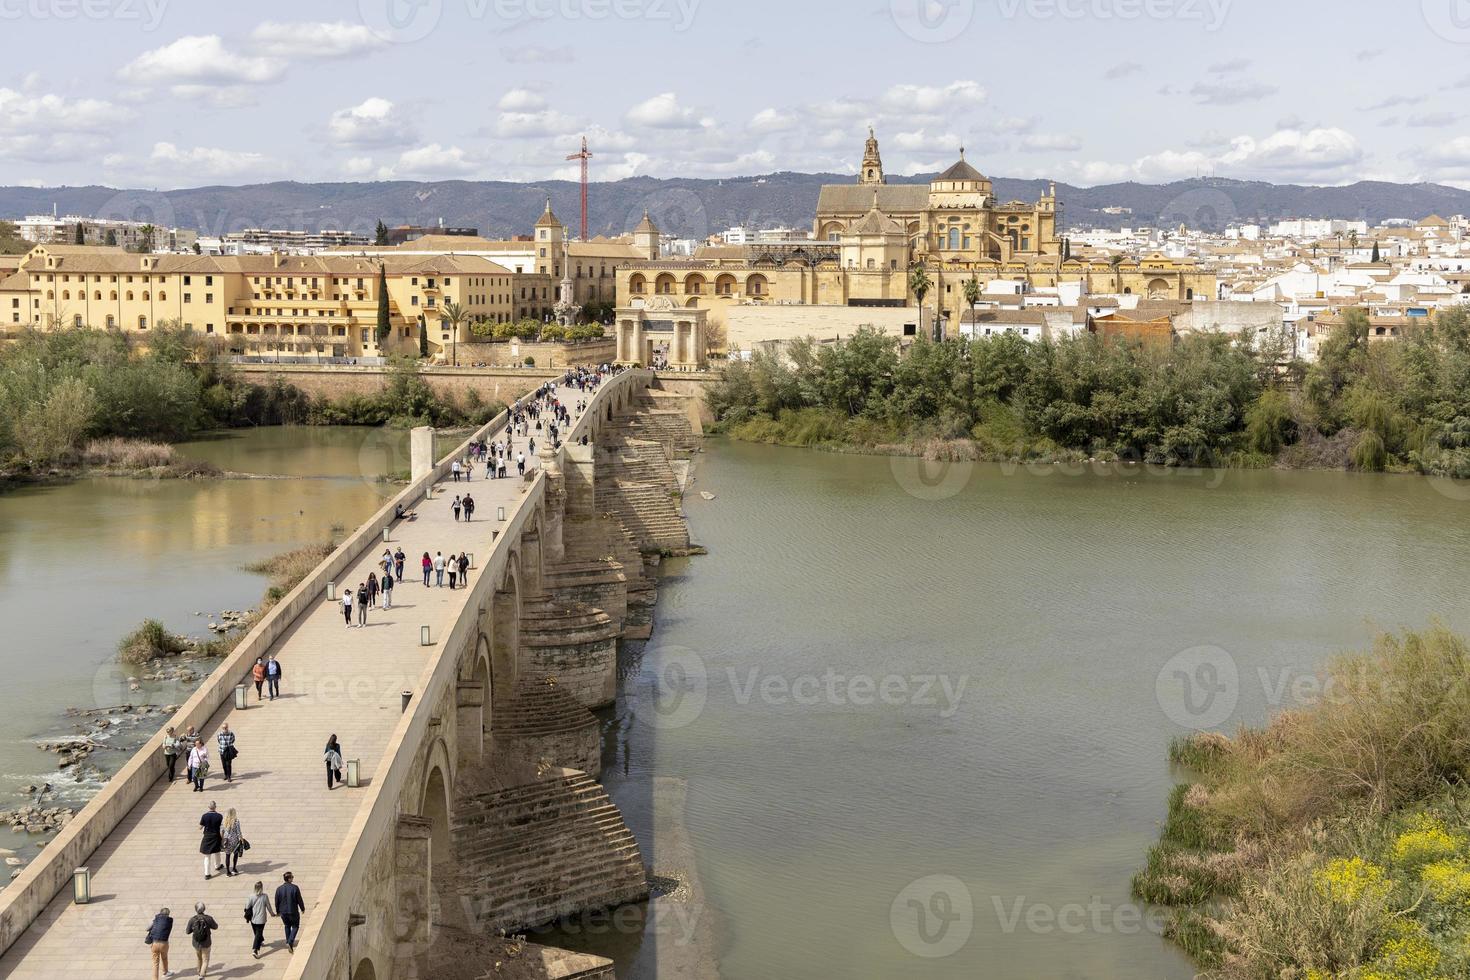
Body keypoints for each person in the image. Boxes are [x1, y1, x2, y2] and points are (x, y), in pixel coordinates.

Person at [275, 871, 306, 953]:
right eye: (292, 877)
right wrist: (302, 908)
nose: (293, 878)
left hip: (283, 912)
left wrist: (277, 911)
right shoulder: (295, 888)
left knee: (287, 925)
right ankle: (290, 941)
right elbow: (299, 899)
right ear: (289, 879)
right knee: (295, 926)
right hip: (293, 911)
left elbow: (276, 901)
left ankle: (288, 941)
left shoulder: (279, 889)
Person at [185, 903, 218, 978]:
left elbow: (187, 932)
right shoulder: (208, 918)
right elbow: (215, 926)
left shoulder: (192, 919)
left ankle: (199, 971)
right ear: (204, 909)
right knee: (205, 959)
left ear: (196, 909)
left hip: (196, 943)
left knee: (199, 958)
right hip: (206, 942)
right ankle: (202, 975)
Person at [245, 880, 274, 959]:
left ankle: (260, 941)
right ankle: (255, 950)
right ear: (261, 888)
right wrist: (272, 914)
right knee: (258, 933)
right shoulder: (265, 896)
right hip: (261, 919)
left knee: (256, 932)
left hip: (253, 919)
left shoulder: (251, 896)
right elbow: (268, 906)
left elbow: (247, 907)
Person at [145, 906, 173, 980]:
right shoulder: (169, 921)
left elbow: (147, 929)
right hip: (164, 944)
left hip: (154, 943)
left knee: (155, 963)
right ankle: (165, 972)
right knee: (164, 958)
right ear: (168, 914)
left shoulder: (155, 919)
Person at [200, 801, 224, 879]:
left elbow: (200, 827)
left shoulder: (204, 816)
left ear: (208, 807)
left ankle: (207, 874)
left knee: (207, 856)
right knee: (217, 852)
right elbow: (221, 828)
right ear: (215, 807)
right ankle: (217, 865)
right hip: (216, 836)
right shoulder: (219, 816)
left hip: (207, 836)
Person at [222, 807, 244, 877]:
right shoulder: (236, 821)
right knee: (235, 854)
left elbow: (222, 831)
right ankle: (234, 868)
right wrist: (242, 840)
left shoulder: (224, 821)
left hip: (226, 841)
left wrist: (222, 839)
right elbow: (238, 832)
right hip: (235, 841)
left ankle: (228, 872)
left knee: (227, 856)